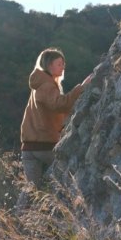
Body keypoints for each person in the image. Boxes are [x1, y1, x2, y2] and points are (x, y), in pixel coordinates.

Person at [19, 47, 93, 188]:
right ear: (49, 65)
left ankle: (20, 210)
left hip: (28, 147)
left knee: (31, 189)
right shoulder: (47, 85)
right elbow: (60, 105)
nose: (63, 67)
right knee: (68, 175)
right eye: (59, 64)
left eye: (63, 64)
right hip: (44, 145)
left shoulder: (38, 85)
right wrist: (82, 88)